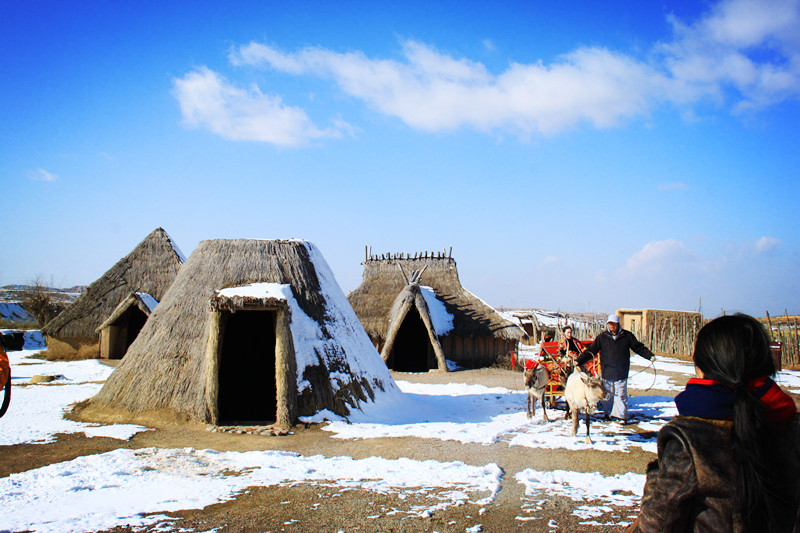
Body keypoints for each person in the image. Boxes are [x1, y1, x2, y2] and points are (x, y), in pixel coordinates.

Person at [628, 313, 800, 532]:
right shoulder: (791, 428)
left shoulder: (691, 439)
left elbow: (656, 526)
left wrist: (657, 473)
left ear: (702, 369)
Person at [575, 314, 655, 423]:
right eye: (610, 324)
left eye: (614, 324)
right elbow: (591, 350)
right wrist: (579, 361)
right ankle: (608, 415)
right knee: (608, 396)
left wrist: (649, 356)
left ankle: (621, 417)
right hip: (607, 371)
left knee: (621, 395)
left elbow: (638, 347)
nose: (611, 326)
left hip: (621, 371)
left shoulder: (627, 336)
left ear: (618, 324)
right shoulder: (602, 337)